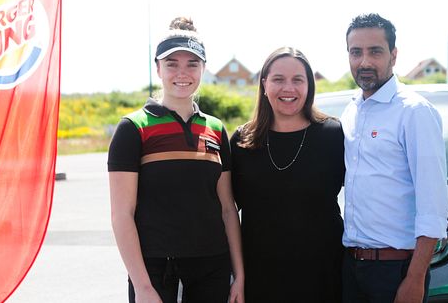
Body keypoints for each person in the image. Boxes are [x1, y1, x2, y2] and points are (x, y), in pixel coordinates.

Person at [108, 17, 244, 303]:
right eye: (172, 64)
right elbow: (122, 215)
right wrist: (143, 286)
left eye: (192, 64)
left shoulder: (216, 129)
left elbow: (228, 210)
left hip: (212, 268)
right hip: (156, 271)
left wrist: (239, 275)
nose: (182, 72)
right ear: (158, 68)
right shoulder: (133, 128)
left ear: (203, 69)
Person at [340, 13, 448, 303]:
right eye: (356, 52)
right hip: (351, 267)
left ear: (394, 55)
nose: (364, 62)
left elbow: (433, 206)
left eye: (375, 51)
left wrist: (414, 279)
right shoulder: (352, 111)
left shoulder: (414, 112)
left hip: (395, 270)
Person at [230, 47, 345, 303]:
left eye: (297, 80)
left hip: (323, 276)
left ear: (309, 85)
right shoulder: (241, 142)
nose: (288, 88)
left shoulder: (333, 135)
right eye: (278, 79)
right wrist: (237, 276)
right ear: (264, 84)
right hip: (260, 278)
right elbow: (227, 213)